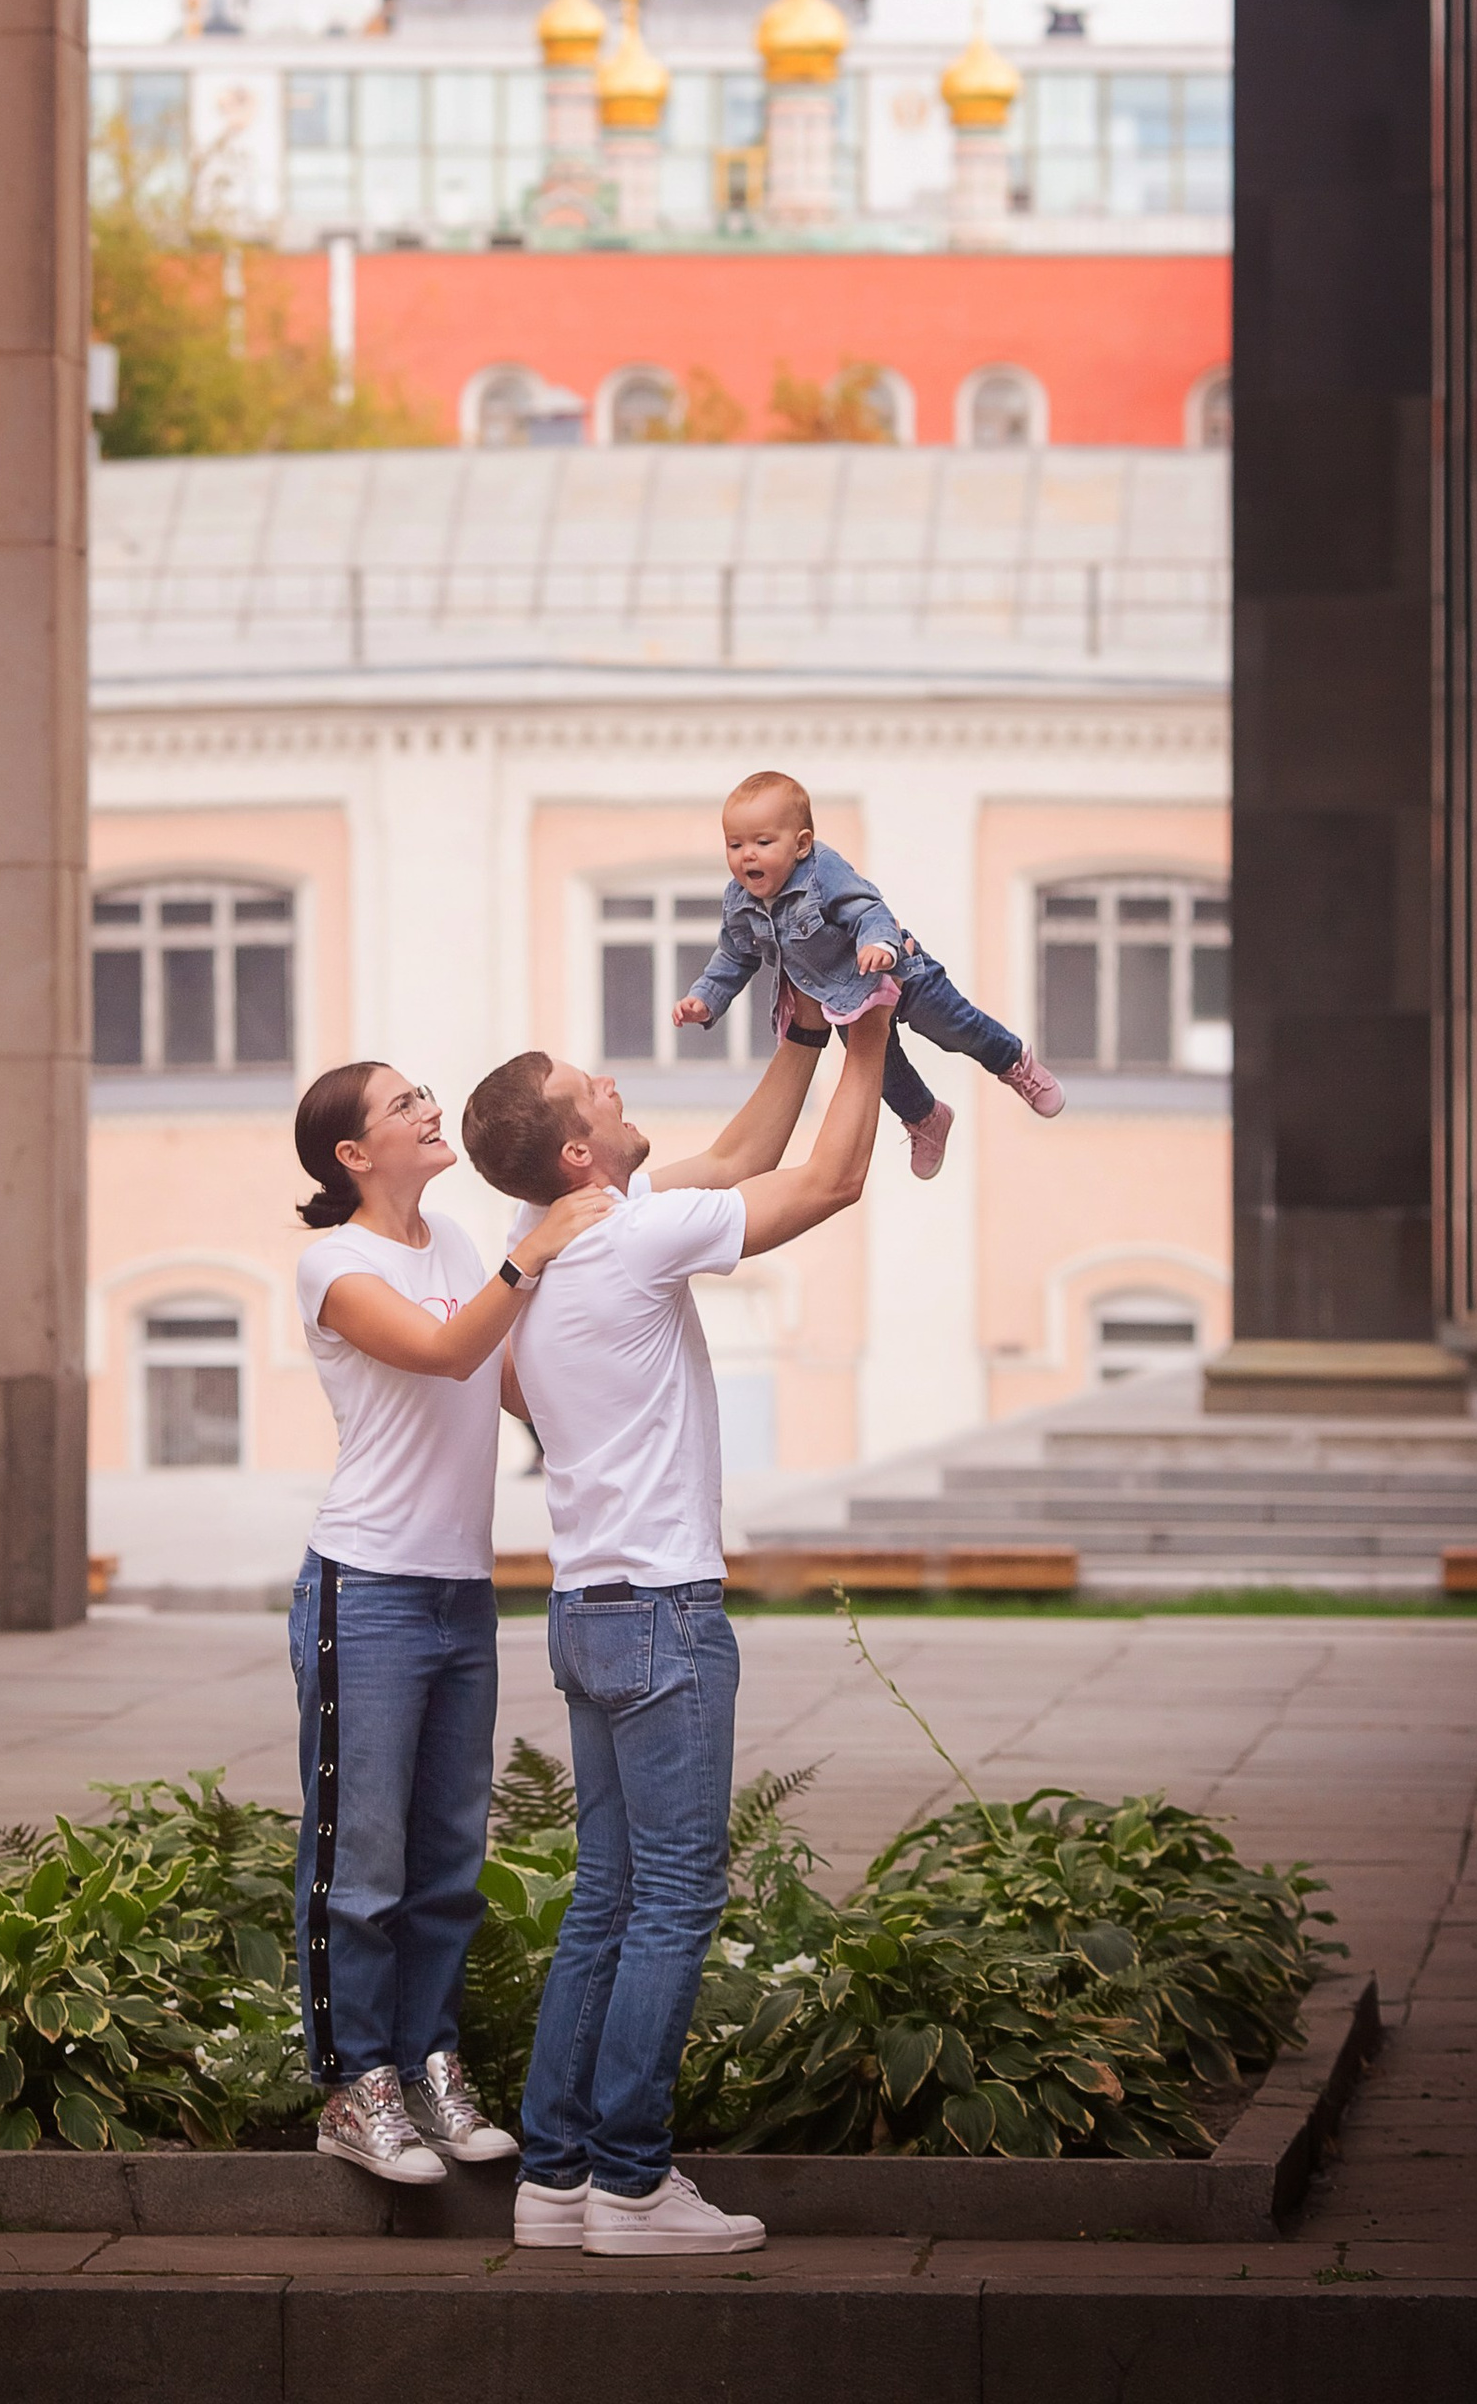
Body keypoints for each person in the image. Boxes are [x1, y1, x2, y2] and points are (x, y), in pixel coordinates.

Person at [459, 1013, 891, 2257]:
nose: (609, 1081)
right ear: (582, 1154)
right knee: (673, 1903)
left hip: (586, 1612)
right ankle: (634, 2188)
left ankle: (555, 2181)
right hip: (661, 1615)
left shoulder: (543, 1242)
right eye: (589, 1088)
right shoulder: (633, 1239)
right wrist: (870, 1044)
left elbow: (738, 1152)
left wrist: (805, 1034)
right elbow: (825, 1180)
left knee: (607, 1899)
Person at [286, 1054, 616, 2181]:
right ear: (352, 1153)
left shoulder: (465, 1248)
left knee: (446, 1863)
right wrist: (537, 1249)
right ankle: (353, 2084)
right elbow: (441, 1350)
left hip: (457, 1587)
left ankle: (429, 2063)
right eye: (402, 1105)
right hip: (365, 1586)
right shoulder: (332, 1263)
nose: (430, 1110)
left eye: (424, 1095)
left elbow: (508, 1375)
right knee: (362, 1860)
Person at [673, 765, 1064, 1179]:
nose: (746, 855)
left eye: (763, 842)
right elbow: (733, 957)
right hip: (844, 997)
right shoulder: (738, 900)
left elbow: (867, 908)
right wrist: (705, 999)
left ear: (801, 844)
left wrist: (877, 944)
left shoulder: (822, 870)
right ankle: (926, 1118)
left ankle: (1012, 1061)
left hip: (897, 971)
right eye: (734, 845)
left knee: (954, 1027)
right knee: (884, 1075)